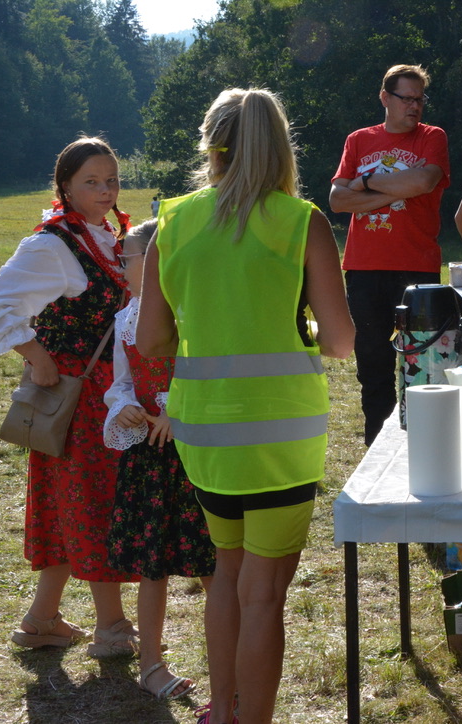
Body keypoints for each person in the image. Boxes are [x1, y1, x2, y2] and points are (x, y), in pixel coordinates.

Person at [138, 88, 354, 724]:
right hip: (281, 436)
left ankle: (225, 710)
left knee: (226, 573)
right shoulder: (300, 220)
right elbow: (341, 342)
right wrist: (297, 329)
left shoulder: (173, 223)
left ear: (210, 145)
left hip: (204, 430)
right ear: (281, 146)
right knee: (264, 595)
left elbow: (150, 339)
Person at [0, 137, 139, 658]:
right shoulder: (53, 245)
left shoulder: (103, 236)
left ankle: (41, 619)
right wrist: (36, 354)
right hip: (77, 396)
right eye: (91, 182)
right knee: (95, 503)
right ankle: (112, 627)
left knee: (68, 505)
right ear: (65, 186)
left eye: (111, 180)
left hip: (105, 391)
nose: (105, 190)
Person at [101, 218, 215, 700]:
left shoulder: (193, 311)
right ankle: (151, 664)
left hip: (196, 455)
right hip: (149, 457)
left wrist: (177, 410)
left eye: (127, 257)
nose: (120, 265)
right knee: (153, 565)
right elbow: (121, 380)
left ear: (156, 262)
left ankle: (230, 668)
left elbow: (207, 373)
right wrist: (123, 405)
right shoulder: (126, 316)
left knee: (213, 564)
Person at [329, 64, 449, 446]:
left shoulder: (432, 137)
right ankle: (376, 445)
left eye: (420, 100)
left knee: (424, 361)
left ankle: (425, 442)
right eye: (407, 98)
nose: (415, 106)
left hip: (417, 266)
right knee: (373, 363)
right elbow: (337, 200)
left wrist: (365, 183)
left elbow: (424, 180)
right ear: (385, 97)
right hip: (365, 268)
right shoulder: (358, 140)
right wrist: (397, 189)